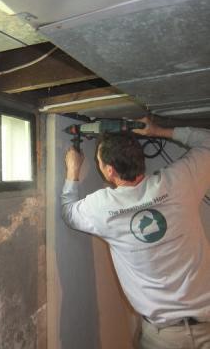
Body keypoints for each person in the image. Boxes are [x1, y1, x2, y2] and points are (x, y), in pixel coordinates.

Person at [61, 117, 210, 349]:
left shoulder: (103, 207)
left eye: (98, 161)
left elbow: (69, 213)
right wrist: (160, 130)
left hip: (163, 338)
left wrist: (73, 170)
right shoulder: (179, 180)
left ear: (109, 171)